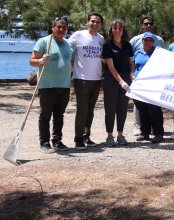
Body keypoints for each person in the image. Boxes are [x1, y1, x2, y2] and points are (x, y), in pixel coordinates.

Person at [30, 17, 73, 153]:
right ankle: (44, 143)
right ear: (53, 27)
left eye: (64, 27)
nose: (61, 30)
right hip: (47, 85)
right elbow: (32, 61)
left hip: (64, 85)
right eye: (59, 27)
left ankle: (57, 141)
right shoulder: (44, 42)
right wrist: (41, 60)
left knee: (59, 115)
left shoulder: (68, 43)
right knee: (45, 115)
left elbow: (70, 63)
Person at [69, 12, 104, 150]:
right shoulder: (78, 35)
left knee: (90, 110)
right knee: (82, 109)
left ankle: (86, 136)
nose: (95, 24)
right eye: (93, 21)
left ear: (100, 24)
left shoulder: (101, 39)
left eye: (98, 22)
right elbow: (67, 49)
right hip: (81, 79)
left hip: (96, 79)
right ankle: (78, 139)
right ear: (88, 22)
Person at [129, 16, 165, 136]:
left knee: (154, 110)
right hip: (139, 84)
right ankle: (145, 133)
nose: (148, 42)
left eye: (150, 40)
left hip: (153, 84)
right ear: (142, 41)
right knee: (142, 109)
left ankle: (158, 133)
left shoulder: (157, 53)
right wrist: (132, 75)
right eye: (146, 40)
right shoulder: (137, 52)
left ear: (153, 42)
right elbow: (133, 65)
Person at [101, 19, 134, 146]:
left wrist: (132, 73)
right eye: (115, 28)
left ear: (123, 31)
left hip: (126, 78)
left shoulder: (127, 45)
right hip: (111, 79)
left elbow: (132, 63)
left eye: (120, 28)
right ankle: (109, 135)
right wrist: (121, 82)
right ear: (111, 30)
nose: (117, 31)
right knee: (110, 108)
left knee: (122, 108)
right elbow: (111, 67)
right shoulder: (107, 45)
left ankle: (120, 134)